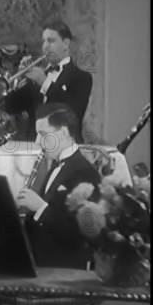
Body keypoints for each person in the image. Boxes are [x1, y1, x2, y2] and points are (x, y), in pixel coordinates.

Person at [17, 103, 101, 269]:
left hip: (64, 273)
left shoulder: (85, 172)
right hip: (44, 264)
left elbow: (78, 235)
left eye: (42, 134)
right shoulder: (56, 165)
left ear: (63, 132)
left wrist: (40, 207)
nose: (37, 142)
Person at [4, 21, 92, 143]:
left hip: (66, 148)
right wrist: (18, 81)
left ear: (66, 43)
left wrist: (44, 82)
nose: (45, 46)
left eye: (50, 41)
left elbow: (74, 111)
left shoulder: (81, 77)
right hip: (35, 148)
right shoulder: (36, 78)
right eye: (43, 41)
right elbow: (10, 107)